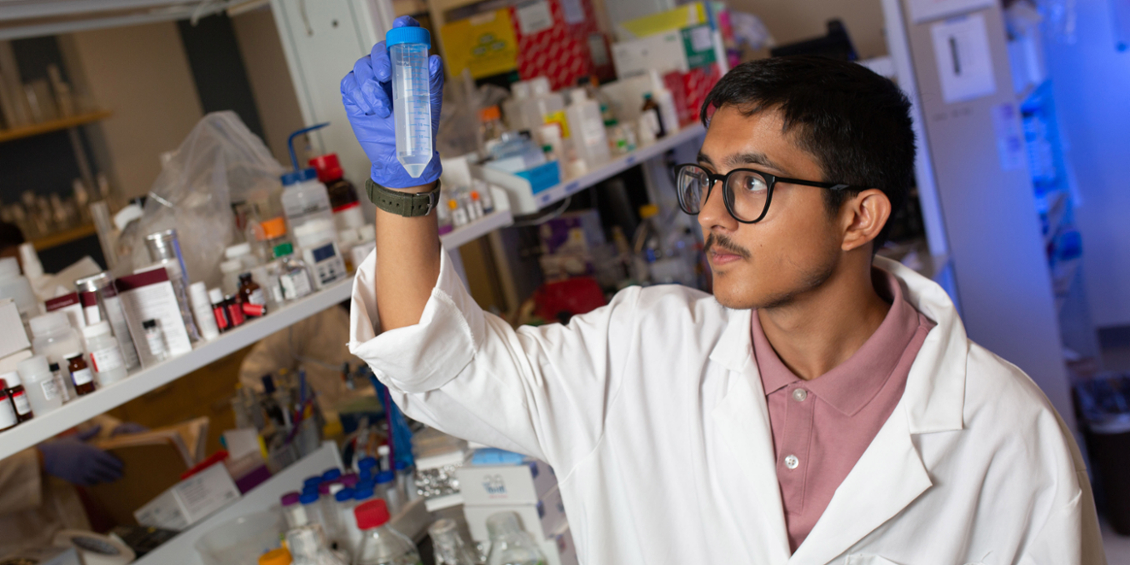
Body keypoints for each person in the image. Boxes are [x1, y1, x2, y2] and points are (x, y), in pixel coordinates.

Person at [342, 17, 1105, 564]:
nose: (709, 213)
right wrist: (404, 185)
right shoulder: (638, 351)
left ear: (859, 215)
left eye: (748, 183)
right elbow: (438, 364)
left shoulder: (1007, 430)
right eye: (705, 180)